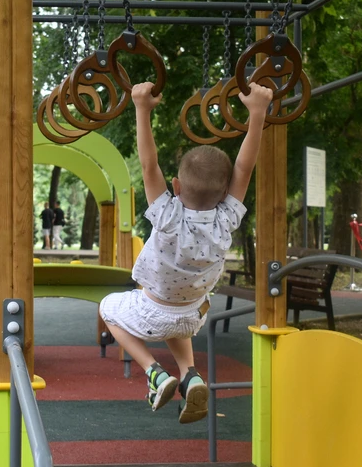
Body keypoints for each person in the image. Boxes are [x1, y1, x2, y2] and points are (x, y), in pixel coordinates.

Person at [98, 80, 273, 424]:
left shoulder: (167, 213)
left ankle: (154, 373)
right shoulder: (226, 218)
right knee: (179, 316)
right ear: (225, 193)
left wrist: (142, 109)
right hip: (193, 315)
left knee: (108, 308)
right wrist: (258, 114)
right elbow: (244, 168)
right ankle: (190, 374)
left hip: (153, 309)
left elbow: (149, 167)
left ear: (175, 187)